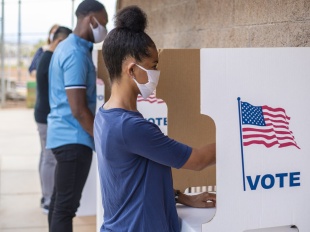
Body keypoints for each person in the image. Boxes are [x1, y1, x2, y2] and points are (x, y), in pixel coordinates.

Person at [94, 5, 216, 232]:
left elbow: (132, 182)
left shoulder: (105, 116)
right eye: (153, 66)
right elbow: (198, 161)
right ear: (131, 70)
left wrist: (180, 197)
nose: (156, 73)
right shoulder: (130, 127)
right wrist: (239, 141)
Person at [46, 0, 108, 231]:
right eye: (103, 22)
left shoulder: (69, 47)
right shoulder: (75, 54)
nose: (105, 27)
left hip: (63, 136)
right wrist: (101, 140)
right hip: (73, 139)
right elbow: (79, 110)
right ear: (91, 19)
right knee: (65, 207)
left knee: (59, 203)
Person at [34, 26, 72, 214]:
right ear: (58, 41)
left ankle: (45, 196)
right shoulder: (49, 60)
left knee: (45, 157)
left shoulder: (46, 56)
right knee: (49, 159)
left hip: (42, 114)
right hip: (46, 116)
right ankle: (48, 200)